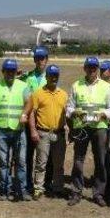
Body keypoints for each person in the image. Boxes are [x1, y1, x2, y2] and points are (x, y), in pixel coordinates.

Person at [66, 57, 110, 207]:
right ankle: (76, 191)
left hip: (99, 127)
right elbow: (69, 108)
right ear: (84, 68)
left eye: (94, 67)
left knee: (101, 160)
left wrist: (104, 114)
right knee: (78, 160)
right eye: (89, 67)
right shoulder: (76, 85)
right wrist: (74, 113)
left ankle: (99, 193)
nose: (92, 70)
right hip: (81, 127)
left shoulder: (106, 87)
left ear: (98, 69)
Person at [0, 59, 31, 201]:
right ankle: (4, 190)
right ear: (3, 71)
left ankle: (21, 190)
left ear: (16, 71)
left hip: (19, 130)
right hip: (1, 130)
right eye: (7, 71)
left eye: (13, 71)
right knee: (3, 162)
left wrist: (24, 114)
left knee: (21, 162)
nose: (10, 73)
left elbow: (30, 102)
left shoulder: (23, 86)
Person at [23, 64, 68, 200]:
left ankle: (58, 188)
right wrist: (33, 131)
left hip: (59, 133)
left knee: (58, 164)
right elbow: (31, 113)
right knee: (41, 163)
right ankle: (38, 188)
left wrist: (68, 127)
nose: (53, 78)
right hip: (43, 133)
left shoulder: (64, 94)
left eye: (56, 76)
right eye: (51, 75)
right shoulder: (38, 93)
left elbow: (67, 113)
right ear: (46, 76)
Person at [19, 46, 50, 193]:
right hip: (29, 120)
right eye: (37, 58)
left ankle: (44, 183)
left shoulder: (50, 77)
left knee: (44, 154)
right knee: (27, 154)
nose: (40, 61)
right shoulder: (27, 77)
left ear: (47, 60)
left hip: (44, 120)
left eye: (42, 58)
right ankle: (27, 183)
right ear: (34, 60)